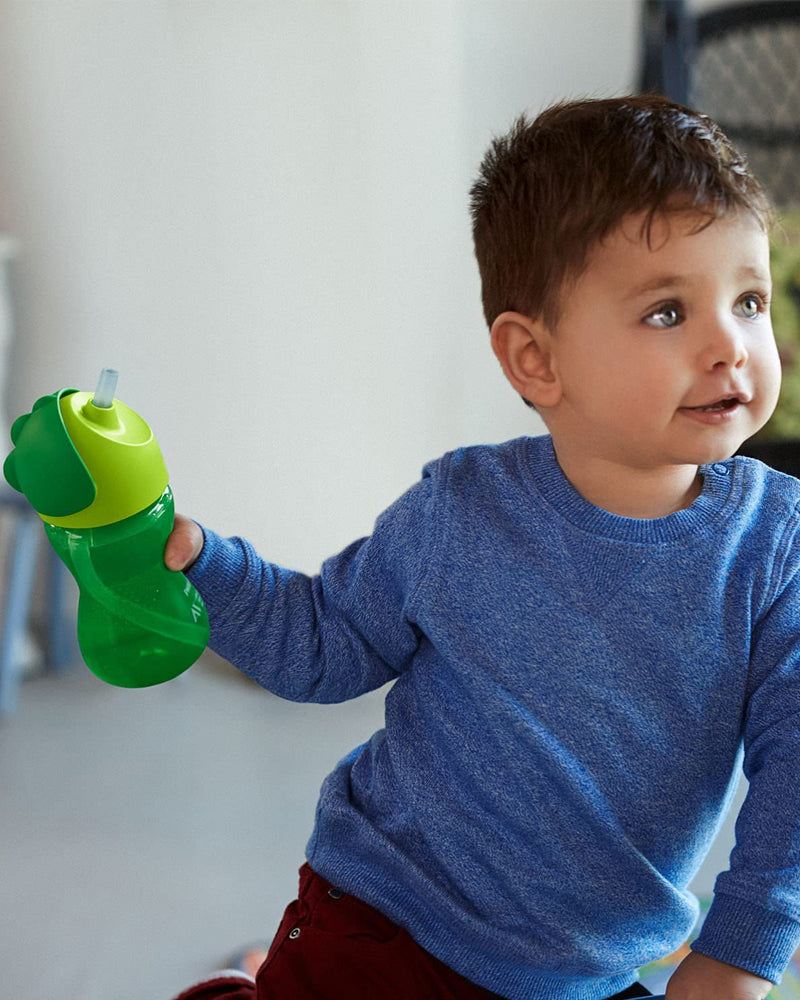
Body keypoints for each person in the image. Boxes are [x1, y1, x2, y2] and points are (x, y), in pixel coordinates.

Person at [166, 95, 800, 1000]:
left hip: (584, 970)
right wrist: (208, 567)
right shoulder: (460, 512)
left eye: (748, 302)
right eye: (668, 312)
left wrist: (741, 948)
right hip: (382, 917)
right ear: (536, 359)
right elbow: (323, 643)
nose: (731, 347)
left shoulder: (777, 548)